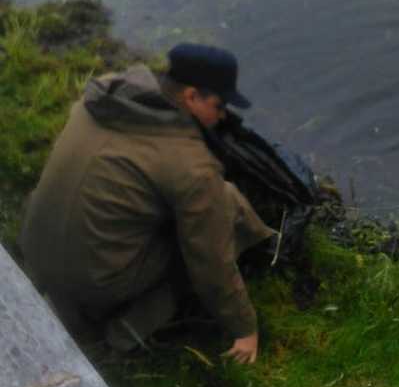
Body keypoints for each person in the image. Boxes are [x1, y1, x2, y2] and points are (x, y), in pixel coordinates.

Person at [20, 44, 276, 362]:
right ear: (192, 96)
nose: (223, 115)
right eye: (220, 105)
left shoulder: (104, 97)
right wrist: (245, 328)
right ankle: (122, 332)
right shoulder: (190, 164)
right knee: (221, 209)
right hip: (96, 282)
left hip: (35, 249)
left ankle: (67, 299)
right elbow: (210, 261)